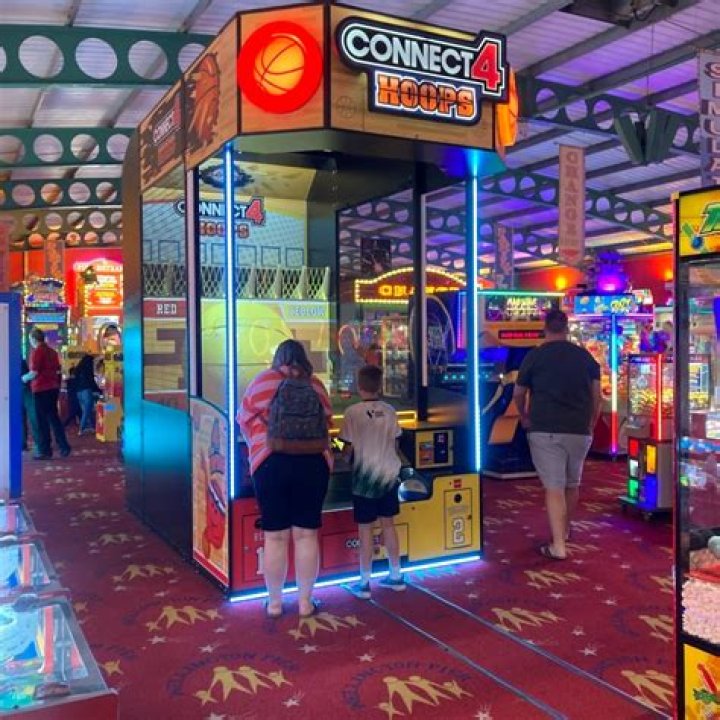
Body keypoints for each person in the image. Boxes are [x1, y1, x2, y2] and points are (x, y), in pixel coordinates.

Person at [237, 339, 332, 619]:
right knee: (306, 534)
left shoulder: (262, 381)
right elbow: (327, 422)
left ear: (278, 358)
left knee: (275, 536)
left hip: (270, 463)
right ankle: (305, 603)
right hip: (313, 463)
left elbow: (242, 420)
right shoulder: (315, 384)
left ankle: (275, 604)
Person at [513, 309, 601, 560]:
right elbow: (597, 396)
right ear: (567, 328)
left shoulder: (535, 356)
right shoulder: (585, 358)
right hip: (579, 429)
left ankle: (559, 545)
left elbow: (518, 393)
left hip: (545, 428)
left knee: (554, 487)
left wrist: (524, 416)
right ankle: (564, 531)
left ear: (545, 328)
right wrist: (591, 423)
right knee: (572, 484)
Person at [340, 365, 406, 599]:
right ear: (380, 385)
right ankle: (396, 576)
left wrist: (341, 455)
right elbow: (396, 443)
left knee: (365, 529)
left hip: (364, 479)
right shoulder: (390, 411)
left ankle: (365, 583)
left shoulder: (352, 412)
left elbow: (346, 447)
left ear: (359, 386)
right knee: (389, 525)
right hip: (388, 475)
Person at [22, 327, 71, 460]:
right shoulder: (52, 352)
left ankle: (45, 450)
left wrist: (23, 378)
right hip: (53, 388)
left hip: (41, 389)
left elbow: (34, 372)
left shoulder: (37, 352)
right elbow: (57, 370)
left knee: (42, 421)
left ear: (34, 339)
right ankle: (64, 446)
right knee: (54, 418)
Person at [74, 352, 100, 434]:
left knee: (85, 410)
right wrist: (99, 390)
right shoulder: (88, 370)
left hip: (78, 392)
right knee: (87, 410)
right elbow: (91, 381)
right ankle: (81, 429)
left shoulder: (78, 370)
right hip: (86, 391)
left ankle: (91, 427)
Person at [21, 358, 40, 452]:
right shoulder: (20, 360)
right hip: (26, 390)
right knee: (33, 418)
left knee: (22, 419)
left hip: (18, 390)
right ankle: (39, 443)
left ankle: (23, 443)